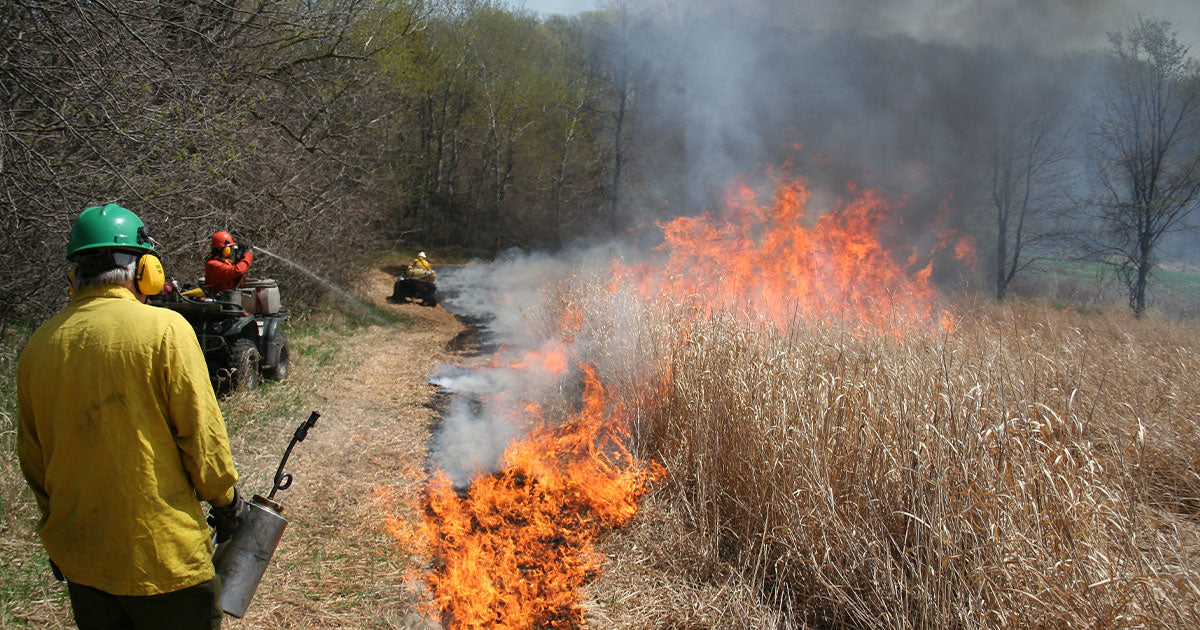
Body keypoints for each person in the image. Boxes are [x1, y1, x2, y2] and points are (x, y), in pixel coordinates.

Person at [17, 204, 244, 629]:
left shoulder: (38, 346)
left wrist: (58, 532)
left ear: (74, 275)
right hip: (162, 559)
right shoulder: (166, 330)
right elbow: (202, 436)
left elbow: (33, 459)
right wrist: (225, 501)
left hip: (83, 559)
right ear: (147, 270)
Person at [205, 230, 254, 294]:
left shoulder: (227, 262)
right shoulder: (213, 264)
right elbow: (238, 270)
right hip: (219, 299)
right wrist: (248, 255)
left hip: (229, 297)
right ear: (226, 249)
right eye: (230, 247)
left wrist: (238, 261)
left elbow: (241, 280)